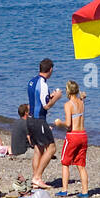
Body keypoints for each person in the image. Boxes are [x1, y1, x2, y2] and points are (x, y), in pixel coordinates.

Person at [26, 59, 62, 189]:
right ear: (50, 70)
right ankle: (37, 177)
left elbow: (39, 99)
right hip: (38, 120)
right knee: (51, 148)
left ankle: (35, 178)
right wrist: (56, 98)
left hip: (30, 118)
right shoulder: (43, 84)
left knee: (38, 149)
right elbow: (46, 106)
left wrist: (50, 96)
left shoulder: (32, 81)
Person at [54, 80, 89, 198]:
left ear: (68, 91)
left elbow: (68, 124)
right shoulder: (81, 103)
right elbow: (81, 100)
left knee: (65, 163)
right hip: (83, 135)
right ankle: (85, 191)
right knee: (81, 164)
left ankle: (64, 190)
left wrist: (59, 123)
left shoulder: (68, 105)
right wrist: (82, 97)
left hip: (73, 136)